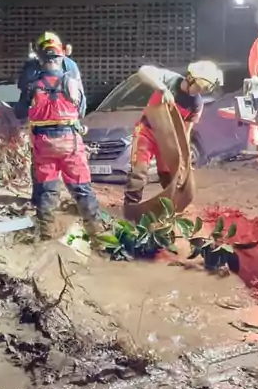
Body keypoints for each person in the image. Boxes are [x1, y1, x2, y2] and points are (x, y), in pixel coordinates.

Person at [19, 34, 103, 240]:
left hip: (43, 143)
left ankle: (46, 233)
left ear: (41, 56)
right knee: (82, 187)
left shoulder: (32, 83)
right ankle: (97, 233)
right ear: (61, 55)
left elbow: (19, 111)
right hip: (69, 141)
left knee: (47, 188)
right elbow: (82, 110)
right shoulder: (71, 79)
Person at [123, 60, 223, 212]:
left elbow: (186, 132)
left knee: (170, 174)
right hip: (147, 131)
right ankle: (130, 208)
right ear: (190, 78)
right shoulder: (170, 80)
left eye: (204, 90)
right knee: (139, 171)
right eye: (199, 87)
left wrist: (184, 158)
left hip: (168, 139)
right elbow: (144, 70)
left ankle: (170, 206)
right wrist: (163, 89)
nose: (200, 92)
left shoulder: (196, 104)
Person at [18, 32, 85, 118]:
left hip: (40, 122)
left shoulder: (31, 68)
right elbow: (80, 97)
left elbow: (23, 102)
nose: (51, 61)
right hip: (66, 121)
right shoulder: (70, 65)